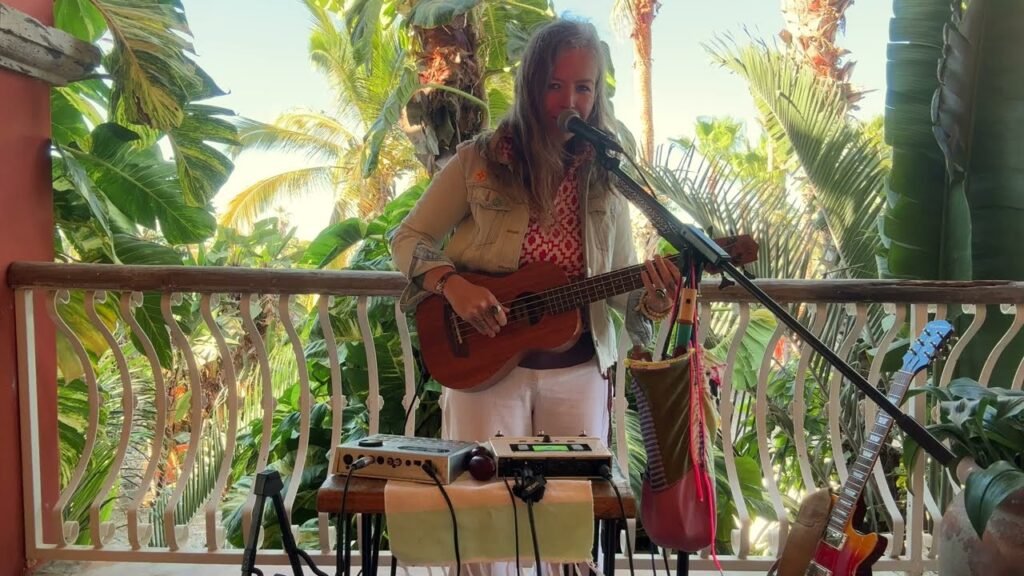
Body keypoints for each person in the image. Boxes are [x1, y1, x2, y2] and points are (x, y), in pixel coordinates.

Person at [390, 19, 679, 448]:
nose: (570, 101)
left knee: (571, 505)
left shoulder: (606, 174)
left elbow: (618, 282)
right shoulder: (479, 159)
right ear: (529, 88)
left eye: (583, 88)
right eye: (554, 86)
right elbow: (407, 238)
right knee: (483, 503)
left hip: (578, 374)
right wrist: (453, 286)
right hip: (485, 366)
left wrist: (653, 298)